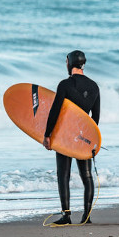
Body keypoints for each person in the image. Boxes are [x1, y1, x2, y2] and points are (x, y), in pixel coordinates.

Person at [42, 50, 100, 225]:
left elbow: (55, 111)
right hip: (84, 137)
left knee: (63, 175)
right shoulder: (94, 86)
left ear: (69, 63)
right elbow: (95, 118)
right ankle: (86, 216)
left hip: (65, 135)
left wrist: (47, 135)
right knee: (87, 176)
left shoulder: (65, 85)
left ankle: (66, 215)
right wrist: (91, 139)